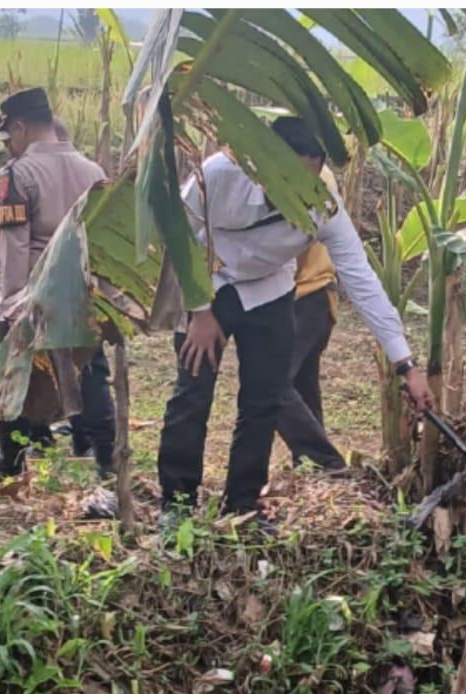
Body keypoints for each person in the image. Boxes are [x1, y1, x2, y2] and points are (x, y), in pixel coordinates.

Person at [159, 117, 433, 527]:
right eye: (291, 180)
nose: (301, 194)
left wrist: (406, 365)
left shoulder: (324, 206)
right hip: (208, 281)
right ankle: (176, 506)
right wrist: (200, 311)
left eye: (310, 181)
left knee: (264, 399)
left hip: (270, 288)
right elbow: (177, 235)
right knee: (193, 392)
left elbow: (361, 280)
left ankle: (242, 505)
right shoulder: (218, 175)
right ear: (263, 165)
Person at [0, 88, 113, 480]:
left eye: (8, 137)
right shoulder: (93, 172)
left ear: (20, 127)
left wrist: (12, 306)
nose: (9, 146)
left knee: (14, 374)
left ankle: (10, 458)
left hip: (36, 292)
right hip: (82, 291)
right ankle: (108, 462)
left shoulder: (17, 175)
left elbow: (15, 246)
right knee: (92, 372)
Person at [275, 243, 348, 472]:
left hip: (307, 294)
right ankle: (312, 468)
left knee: (271, 384)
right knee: (303, 385)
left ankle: (325, 461)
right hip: (317, 296)